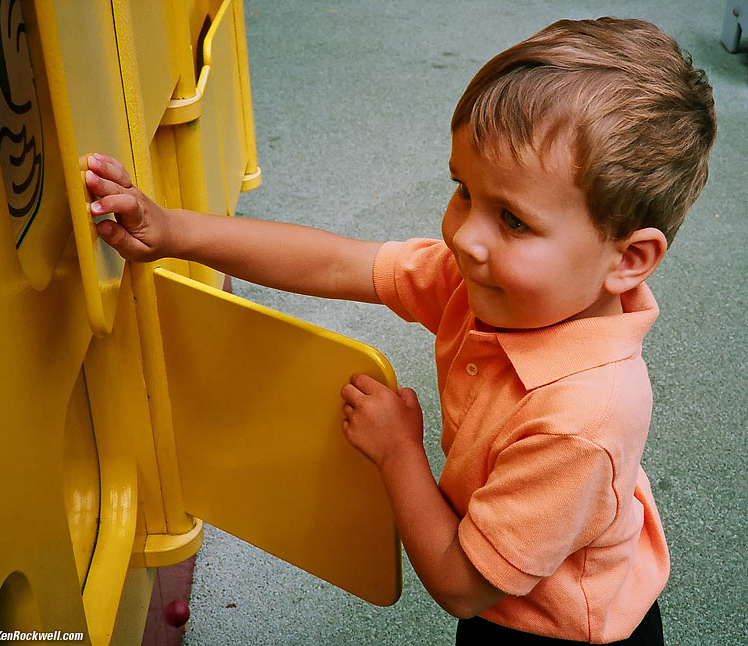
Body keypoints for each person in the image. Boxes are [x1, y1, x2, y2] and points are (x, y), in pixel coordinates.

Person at [86, 16, 716, 645]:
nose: (464, 237)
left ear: (628, 259)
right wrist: (172, 231)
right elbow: (340, 264)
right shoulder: (492, 285)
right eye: (463, 190)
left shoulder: (580, 423)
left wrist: (398, 453)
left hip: (552, 629)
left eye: (513, 220)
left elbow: (461, 586)